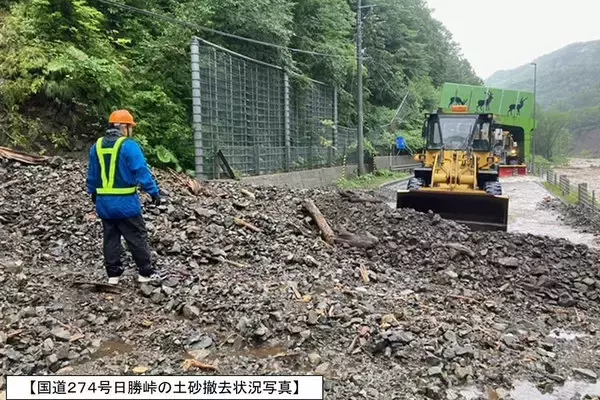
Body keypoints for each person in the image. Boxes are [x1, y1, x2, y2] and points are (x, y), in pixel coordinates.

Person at [86, 109, 163, 285]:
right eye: (130, 127)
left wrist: (93, 192)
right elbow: (141, 171)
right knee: (136, 236)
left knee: (110, 238)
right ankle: (145, 273)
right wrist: (154, 192)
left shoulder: (96, 146)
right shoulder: (129, 146)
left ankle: (113, 275)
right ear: (124, 127)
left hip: (104, 205)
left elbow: (92, 174)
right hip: (126, 204)